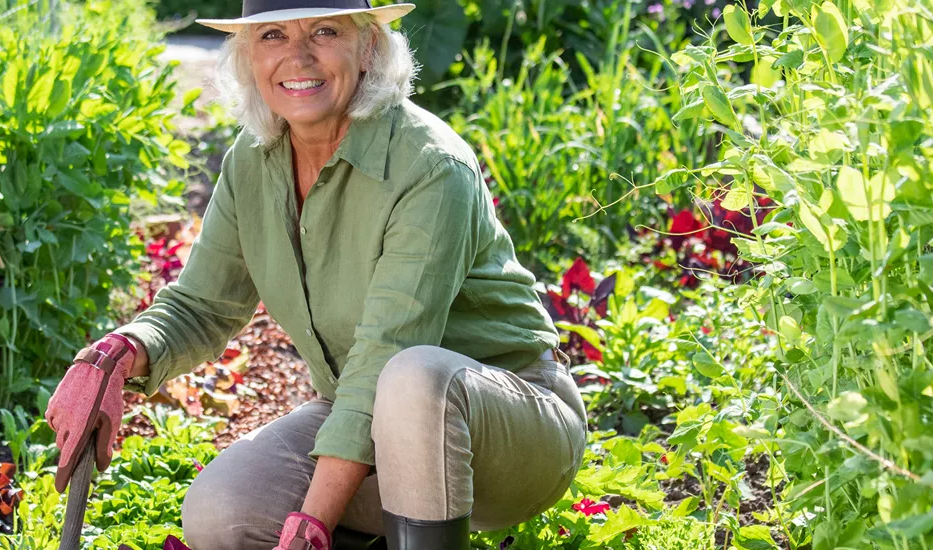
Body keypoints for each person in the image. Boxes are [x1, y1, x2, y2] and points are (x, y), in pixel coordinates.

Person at [46, 1, 587, 548]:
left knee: (413, 376)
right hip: (371, 425)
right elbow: (202, 305)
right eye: (272, 35)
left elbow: (385, 355)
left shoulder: (430, 167)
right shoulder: (253, 160)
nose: (297, 56)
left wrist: (313, 523)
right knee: (222, 511)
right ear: (248, 56)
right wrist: (116, 354)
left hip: (509, 432)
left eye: (325, 31)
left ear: (368, 47)